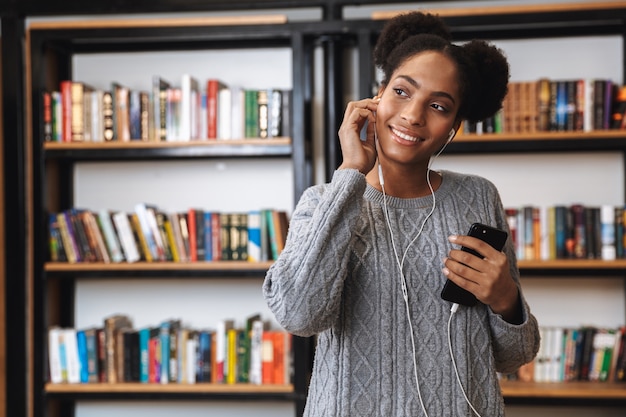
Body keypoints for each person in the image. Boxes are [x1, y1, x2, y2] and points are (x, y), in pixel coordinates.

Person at [263, 10, 540, 417]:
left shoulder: (477, 197)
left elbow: (514, 355)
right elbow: (299, 315)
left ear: (454, 128)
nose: (412, 115)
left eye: (439, 106)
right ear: (377, 95)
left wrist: (506, 300)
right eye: (403, 92)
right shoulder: (323, 202)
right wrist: (350, 175)